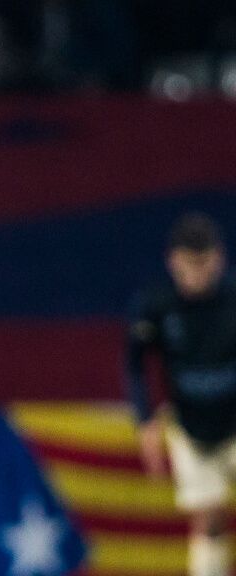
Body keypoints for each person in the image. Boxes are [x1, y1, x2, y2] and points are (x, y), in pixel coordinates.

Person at [127, 213, 236, 576]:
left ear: (219, 258)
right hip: (191, 427)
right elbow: (135, 364)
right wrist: (145, 422)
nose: (197, 273)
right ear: (173, 261)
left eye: (204, 263)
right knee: (209, 520)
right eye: (189, 264)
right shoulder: (157, 306)